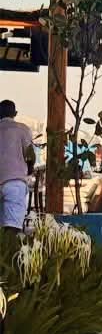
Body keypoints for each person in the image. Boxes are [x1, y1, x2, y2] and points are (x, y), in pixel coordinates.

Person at [0, 99, 36, 233]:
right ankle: (11, 245)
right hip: (14, 182)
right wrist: (29, 170)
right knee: (13, 225)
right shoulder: (23, 129)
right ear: (15, 113)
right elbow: (30, 156)